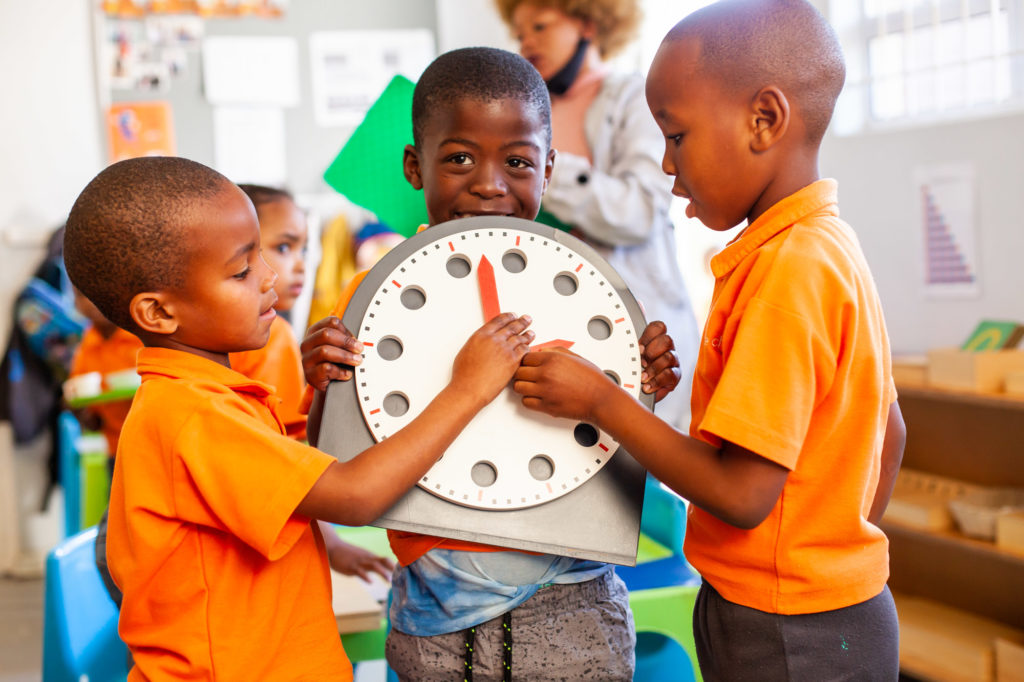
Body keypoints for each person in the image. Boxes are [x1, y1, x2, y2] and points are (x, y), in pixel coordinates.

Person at [510, 1, 907, 679]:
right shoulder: (820, 245)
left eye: (677, 136)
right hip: (818, 607)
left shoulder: (788, 271)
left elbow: (743, 495)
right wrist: (826, 550)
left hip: (787, 630)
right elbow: (889, 431)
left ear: (764, 120)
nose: (667, 165)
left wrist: (605, 403)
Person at [62, 155, 536, 681]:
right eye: (242, 270)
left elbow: (305, 480)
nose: (269, 278)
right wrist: (467, 390)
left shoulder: (213, 395)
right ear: (159, 313)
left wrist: (322, 389)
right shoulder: (193, 414)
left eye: (264, 256)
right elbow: (353, 494)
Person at [300, 47, 682, 682]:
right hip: (434, 612)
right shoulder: (381, 294)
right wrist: (324, 386)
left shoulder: (585, 283)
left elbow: (612, 428)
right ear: (413, 167)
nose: (488, 182)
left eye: (518, 162)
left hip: (576, 609)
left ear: (549, 169)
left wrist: (645, 384)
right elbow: (332, 463)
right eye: (458, 158)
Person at [494, 0, 700, 430]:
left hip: (641, 319)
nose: (526, 42)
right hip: (554, 317)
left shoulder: (633, 98)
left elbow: (640, 210)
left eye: (540, 26)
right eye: (519, 33)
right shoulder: (527, 107)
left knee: (647, 458)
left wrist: (542, 167)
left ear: (589, 23)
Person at [233, 182, 394, 581]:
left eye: (304, 249)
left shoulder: (270, 338)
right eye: (284, 248)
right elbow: (294, 458)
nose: (301, 264)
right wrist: (334, 544)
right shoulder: (272, 340)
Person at [67, 288, 142, 458]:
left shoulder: (141, 337)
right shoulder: (85, 350)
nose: (91, 300)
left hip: (158, 440)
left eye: (98, 290)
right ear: (76, 304)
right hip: (117, 448)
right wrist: (81, 412)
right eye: (82, 295)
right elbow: (86, 411)